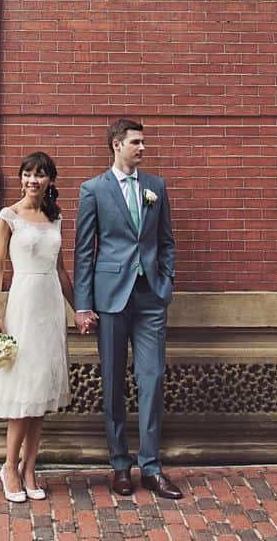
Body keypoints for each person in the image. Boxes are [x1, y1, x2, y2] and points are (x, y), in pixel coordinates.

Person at [73, 118, 184, 500]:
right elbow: (84, 251)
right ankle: (120, 464)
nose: (143, 148)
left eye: (143, 142)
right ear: (117, 145)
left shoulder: (156, 187)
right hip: (110, 299)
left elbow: (166, 241)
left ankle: (151, 467)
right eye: (136, 142)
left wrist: (165, 282)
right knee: (114, 382)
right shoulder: (93, 190)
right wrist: (82, 304)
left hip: (150, 296)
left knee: (151, 380)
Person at [0, 151, 73, 503]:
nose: (32, 181)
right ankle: (9, 466)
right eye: (27, 174)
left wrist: (79, 308)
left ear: (50, 180)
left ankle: (29, 467)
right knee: (23, 387)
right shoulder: (9, 217)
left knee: (41, 388)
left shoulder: (55, 218)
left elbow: (63, 270)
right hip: (22, 303)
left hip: (50, 306)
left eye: (39, 175)